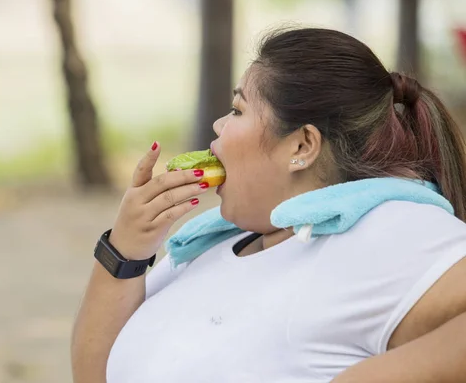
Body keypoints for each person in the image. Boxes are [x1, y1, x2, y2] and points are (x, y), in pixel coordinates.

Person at [71, 28, 466, 383]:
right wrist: (125, 254)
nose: (218, 126)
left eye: (238, 111)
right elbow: (96, 376)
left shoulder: (391, 229)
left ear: (301, 146)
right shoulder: (205, 246)